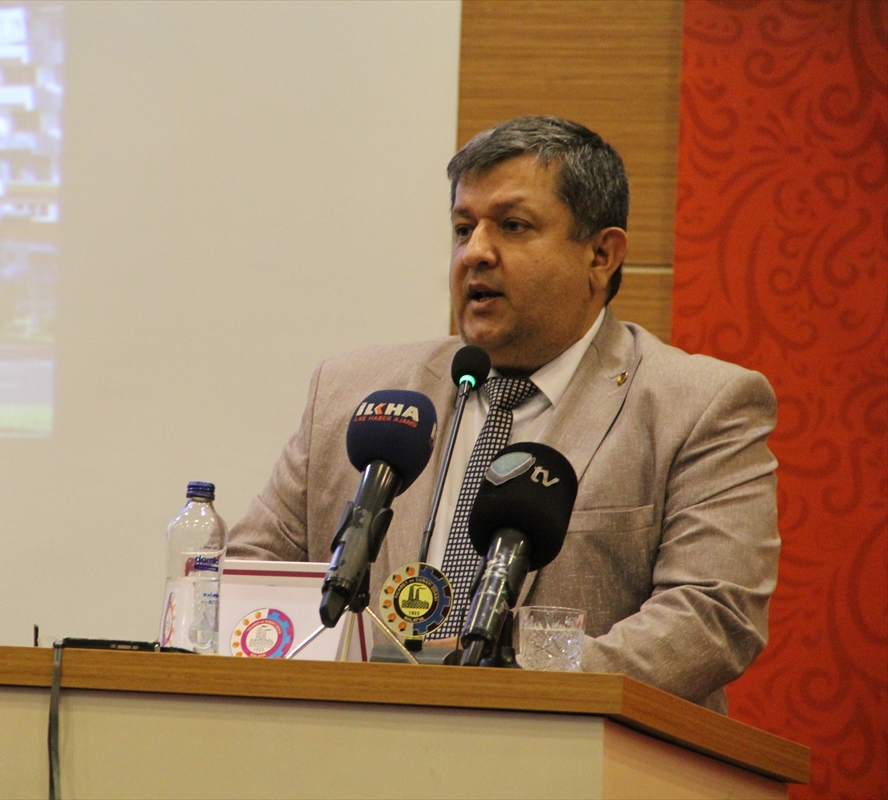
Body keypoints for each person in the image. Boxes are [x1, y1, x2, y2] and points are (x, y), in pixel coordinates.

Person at [226, 116, 779, 714]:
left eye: (513, 226)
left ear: (601, 255)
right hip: (352, 735)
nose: (475, 253)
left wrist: (505, 681)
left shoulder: (698, 405)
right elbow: (247, 578)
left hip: (566, 748)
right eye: (463, 229)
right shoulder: (356, 393)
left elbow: (711, 616)